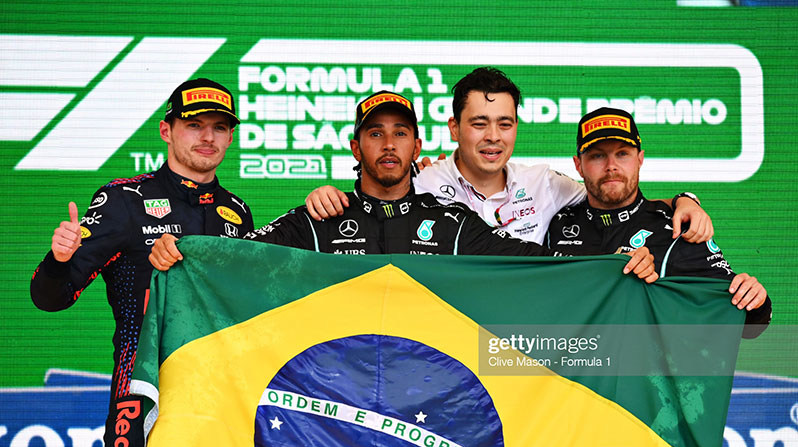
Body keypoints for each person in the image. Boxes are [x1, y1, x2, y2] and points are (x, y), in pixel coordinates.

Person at [30, 78, 254, 447]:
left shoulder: (237, 211)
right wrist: (58, 259)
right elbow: (50, 298)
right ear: (166, 130)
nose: (208, 137)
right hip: (146, 391)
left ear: (231, 135)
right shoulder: (125, 199)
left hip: (221, 399)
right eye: (194, 125)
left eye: (220, 127)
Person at [150, 91, 655, 284]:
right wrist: (184, 251)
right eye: (375, 134)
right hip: (334, 396)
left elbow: (531, 262)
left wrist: (615, 266)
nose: (388, 145)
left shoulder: (452, 222)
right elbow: (240, 253)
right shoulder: (320, 216)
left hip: (430, 391)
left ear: (418, 147)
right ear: (354, 147)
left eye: (400, 134)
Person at [304, 67, 713, 244]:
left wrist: (683, 202)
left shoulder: (545, 184)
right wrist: (325, 196)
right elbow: (374, 202)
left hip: (515, 357)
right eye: (479, 123)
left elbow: (612, 194)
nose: (493, 138)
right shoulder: (423, 180)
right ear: (453, 129)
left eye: (505, 123)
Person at [546, 107, 771, 337]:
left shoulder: (675, 226)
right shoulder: (554, 225)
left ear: (640, 159)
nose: (611, 165)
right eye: (597, 155)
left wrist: (756, 301)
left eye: (622, 153)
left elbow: (747, 326)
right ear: (578, 165)